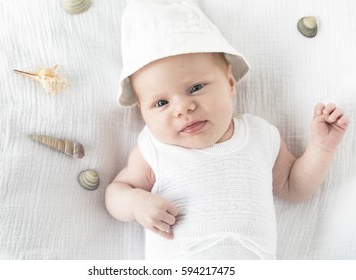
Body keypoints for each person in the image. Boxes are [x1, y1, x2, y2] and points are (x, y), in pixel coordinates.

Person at [105, 0, 350, 259]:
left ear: (230, 83)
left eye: (196, 88)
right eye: (161, 103)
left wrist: (322, 147)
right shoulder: (154, 149)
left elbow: (294, 188)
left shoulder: (260, 136)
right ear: (142, 112)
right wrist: (134, 203)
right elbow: (115, 193)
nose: (183, 108)